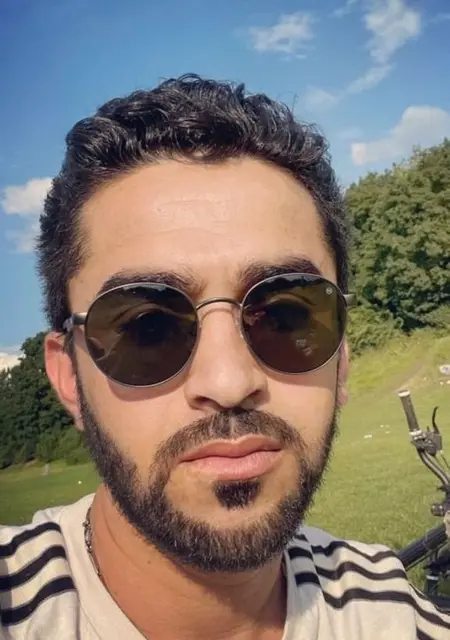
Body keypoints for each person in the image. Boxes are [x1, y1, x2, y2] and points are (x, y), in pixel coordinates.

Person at [0, 74, 448, 640]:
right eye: (148, 326)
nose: (229, 381)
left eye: (286, 314)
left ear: (340, 359)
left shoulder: (393, 613)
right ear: (68, 377)